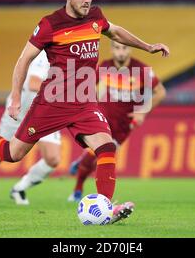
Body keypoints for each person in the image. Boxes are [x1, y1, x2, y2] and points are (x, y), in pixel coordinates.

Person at [0, 0, 169, 223]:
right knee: (12, 153)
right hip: (52, 102)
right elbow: (23, 61)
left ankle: (106, 208)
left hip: (84, 102)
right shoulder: (50, 24)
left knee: (106, 147)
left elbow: (115, 32)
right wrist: (17, 97)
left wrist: (148, 47)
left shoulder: (95, 16)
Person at [68, 40, 166, 201]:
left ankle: (80, 169)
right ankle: (78, 190)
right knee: (95, 154)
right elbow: (89, 85)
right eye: (117, 48)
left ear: (129, 50)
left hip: (123, 125)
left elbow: (160, 92)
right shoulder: (104, 66)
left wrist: (142, 112)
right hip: (103, 119)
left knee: (98, 159)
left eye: (124, 48)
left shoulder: (141, 70)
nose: (121, 52)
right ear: (112, 50)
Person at [0, 50, 62, 205]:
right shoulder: (45, 54)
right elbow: (33, 83)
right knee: (1, 153)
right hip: (19, 110)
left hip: (45, 113)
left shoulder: (74, 57)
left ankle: (19, 189)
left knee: (53, 158)